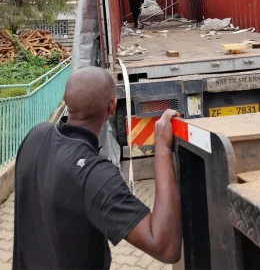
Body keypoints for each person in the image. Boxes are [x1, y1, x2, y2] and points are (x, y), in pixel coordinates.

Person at [13, 67, 182, 270]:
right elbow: (165, 247)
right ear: (112, 107)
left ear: (66, 101)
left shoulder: (35, 137)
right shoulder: (95, 176)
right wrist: (162, 148)